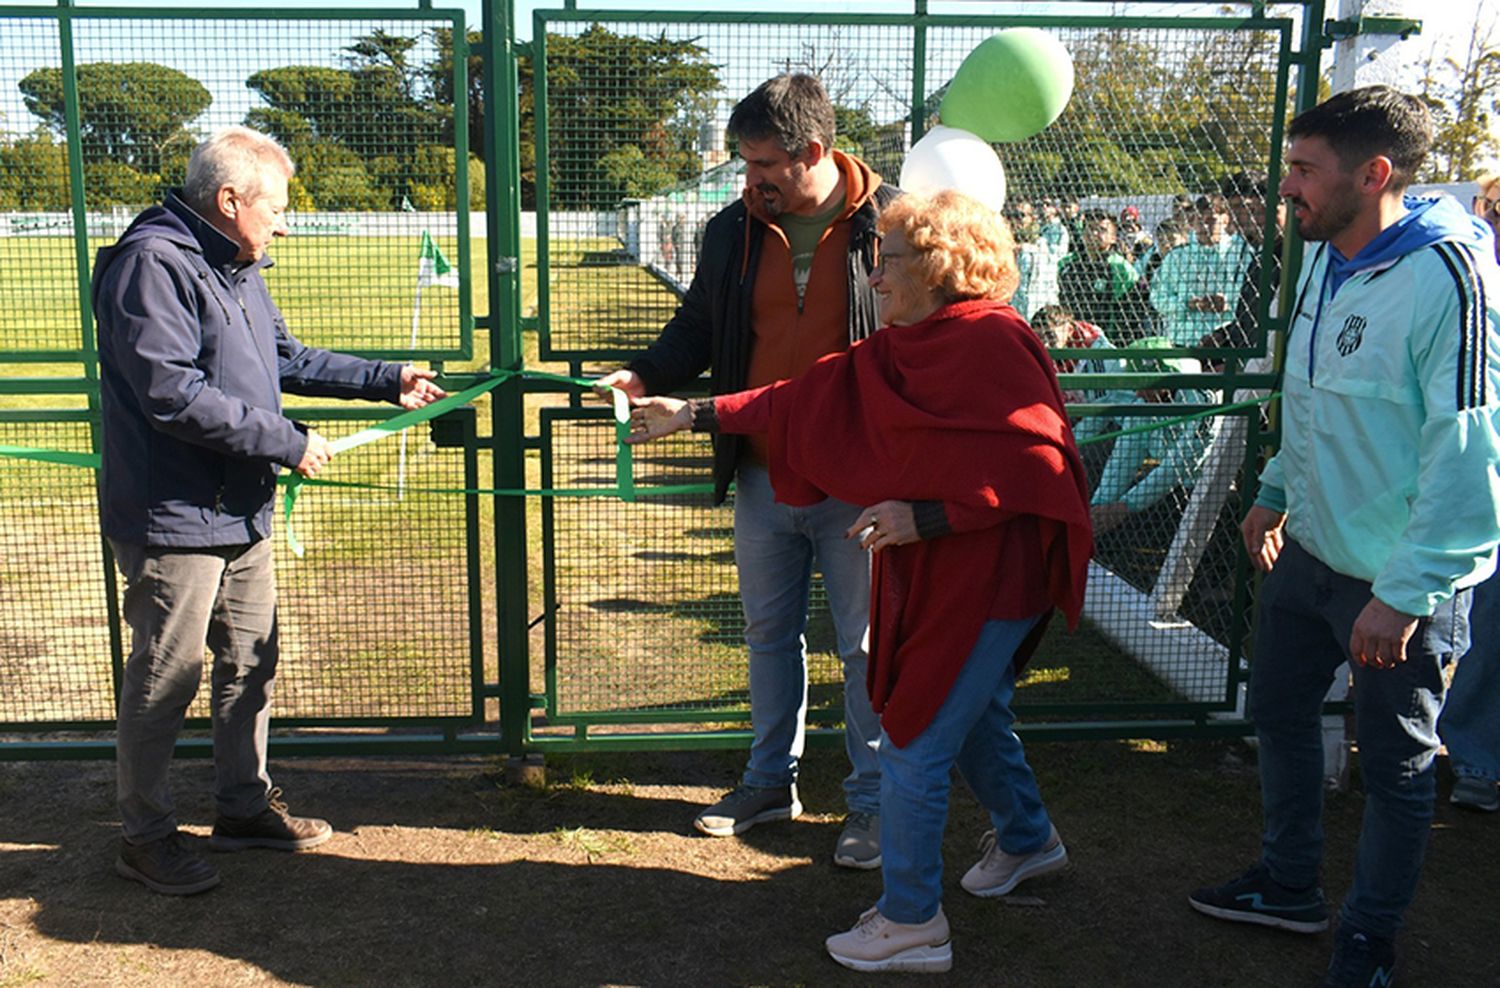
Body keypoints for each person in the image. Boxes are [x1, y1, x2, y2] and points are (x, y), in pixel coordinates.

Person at [625, 189, 1091, 974]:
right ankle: (1027, 839)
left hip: (991, 581)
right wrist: (693, 414)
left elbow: (1041, 466)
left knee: (911, 740)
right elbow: (805, 395)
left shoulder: (994, 342)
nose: (875, 278)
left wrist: (931, 517)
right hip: (940, 572)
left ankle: (912, 921)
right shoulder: (906, 342)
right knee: (967, 721)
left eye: (891, 262)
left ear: (940, 267)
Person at [1188, 87, 1500, 987]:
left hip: (1396, 590)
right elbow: (1315, 394)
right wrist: (1277, 488)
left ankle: (1370, 937)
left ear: (1374, 175)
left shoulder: (1451, 277)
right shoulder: (1329, 254)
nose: (1287, 187)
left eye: (1303, 171)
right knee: (1279, 716)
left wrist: (1405, 594)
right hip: (1308, 555)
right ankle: (1289, 884)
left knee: (1398, 771)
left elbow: (1470, 454)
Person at [92, 125, 446, 895]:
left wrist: (387, 377)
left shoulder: (238, 262)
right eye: (276, 207)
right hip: (174, 515)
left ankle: (242, 809)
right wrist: (286, 441)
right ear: (229, 200)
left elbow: (285, 358)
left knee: (250, 661)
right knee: (165, 676)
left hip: (240, 507)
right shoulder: (152, 265)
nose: (284, 222)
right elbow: (171, 394)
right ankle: (145, 835)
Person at [594, 74, 897, 867]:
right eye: (744, 161)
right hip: (763, 472)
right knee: (768, 635)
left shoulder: (891, 222)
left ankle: (872, 803)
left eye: (763, 163)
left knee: (865, 647)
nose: (749, 179)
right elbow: (699, 325)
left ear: (815, 152)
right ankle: (770, 783)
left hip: (860, 479)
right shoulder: (733, 228)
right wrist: (642, 374)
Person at [1084, 337, 1217, 536]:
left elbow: (1177, 466)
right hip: (1160, 488)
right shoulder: (1143, 403)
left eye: (1143, 384)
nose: (1137, 393)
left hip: (1204, 489)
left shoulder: (1203, 404)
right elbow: (1124, 457)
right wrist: (1099, 508)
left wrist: (1124, 507)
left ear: (1164, 379)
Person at [1149, 194, 1248, 346]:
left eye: (1211, 220)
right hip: (1183, 341)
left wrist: (1228, 303)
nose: (1204, 226)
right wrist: (1186, 304)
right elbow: (1157, 297)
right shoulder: (1176, 257)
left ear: (1225, 220)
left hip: (1225, 341)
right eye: (1199, 221)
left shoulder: (1241, 254)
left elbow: (1253, 298)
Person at [1056, 210, 1144, 343]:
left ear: (1113, 237)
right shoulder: (1066, 264)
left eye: (1102, 230)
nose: (1094, 234)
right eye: (1090, 228)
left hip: (1104, 343)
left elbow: (1131, 313)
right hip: (1069, 341)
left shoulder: (1121, 269)